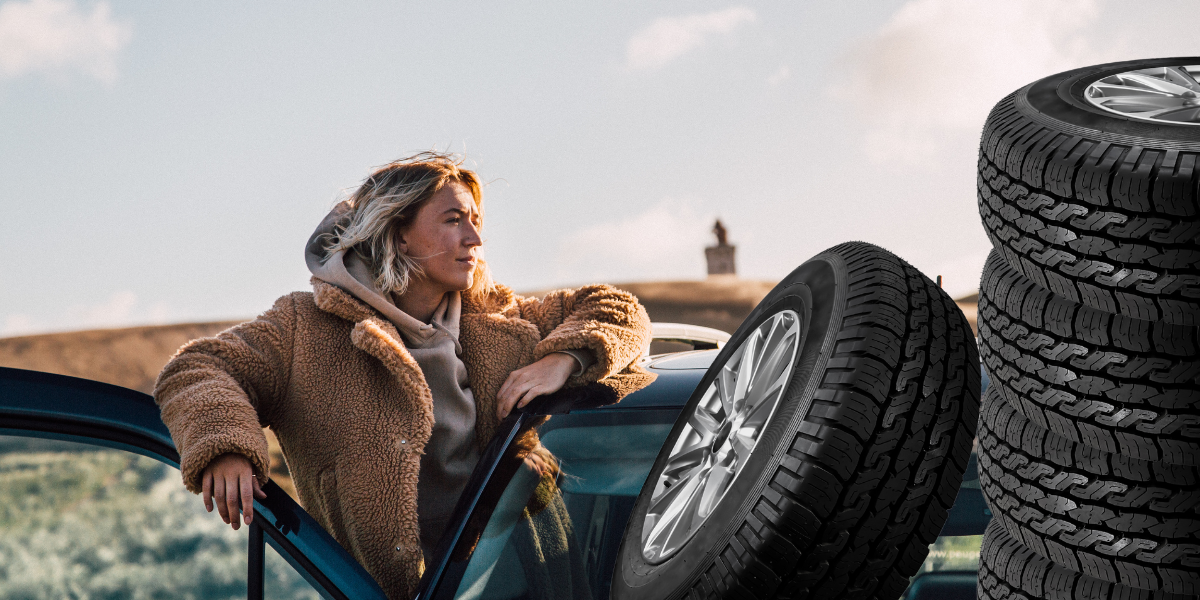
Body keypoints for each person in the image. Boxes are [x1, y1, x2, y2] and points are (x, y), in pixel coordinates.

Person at [153, 152, 653, 599]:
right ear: (397, 232)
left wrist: (563, 360)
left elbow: (618, 309)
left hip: (534, 581)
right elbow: (197, 368)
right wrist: (225, 445)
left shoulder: (500, 317)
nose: (475, 238)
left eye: (476, 221)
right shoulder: (305, 327)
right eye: (454, 220)